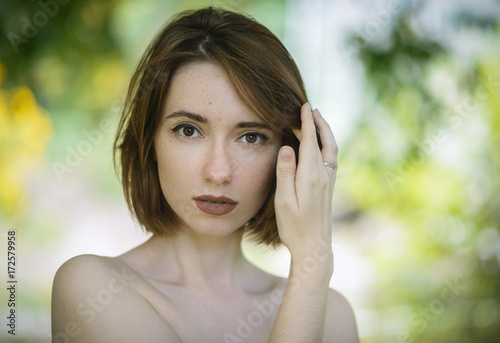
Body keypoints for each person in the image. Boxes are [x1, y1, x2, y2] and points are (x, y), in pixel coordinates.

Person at [51, 7, 359, 343]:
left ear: (294, 154)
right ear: (149, 140)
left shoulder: (331, 315)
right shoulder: (93, 290)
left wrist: (312, 262)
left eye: (251, 137)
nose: (218, 172)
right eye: (188, 130)